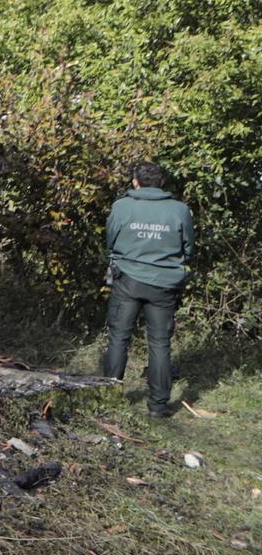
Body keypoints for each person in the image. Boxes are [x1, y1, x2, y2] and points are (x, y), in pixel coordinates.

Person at [102, 162, 194, 418]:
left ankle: (107, 398)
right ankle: (158, 406)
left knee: (119, 337)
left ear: (135, 181)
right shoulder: (180, 210)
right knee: (160, 344)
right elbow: (188, 248)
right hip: (164, 284)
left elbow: (110, 240)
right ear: (161, 182)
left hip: (127, 280)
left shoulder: (122, 206)